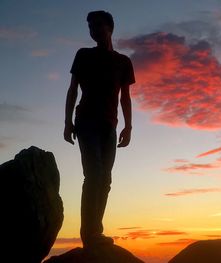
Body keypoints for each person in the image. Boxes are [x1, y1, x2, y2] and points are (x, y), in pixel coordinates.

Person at [63, 10, 135, 248]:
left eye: (98, 26)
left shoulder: (123, 62)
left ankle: (96, 232)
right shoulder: (83, 55)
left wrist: (128, 126)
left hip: (109, 126)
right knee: (93, 174)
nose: (93, 31)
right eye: (90, 28)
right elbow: (73, 89)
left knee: (105, 179)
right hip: (86, 121)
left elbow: (125, 97)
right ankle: (90, 234)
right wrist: (67, 122)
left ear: (110, 28)